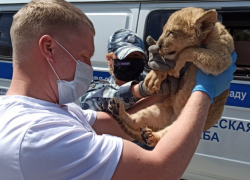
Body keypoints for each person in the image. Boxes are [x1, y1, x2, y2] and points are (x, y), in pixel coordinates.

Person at [0, 1, 236, 180]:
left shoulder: (59, 111)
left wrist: (159, 97)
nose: (90, 68)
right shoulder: (38, 136)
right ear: (49, 48)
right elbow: (161, 169)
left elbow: (109, 122)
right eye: (83, 57)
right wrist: (203, 91)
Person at [80, 29, 173, 113]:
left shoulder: (155, 83)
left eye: (136, 56)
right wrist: (142, 90)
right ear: (109, 59)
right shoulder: (97, 87)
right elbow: (87, 102)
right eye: (124, 57)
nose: (130, 61)